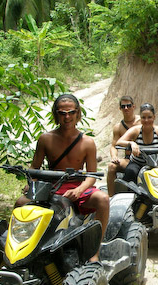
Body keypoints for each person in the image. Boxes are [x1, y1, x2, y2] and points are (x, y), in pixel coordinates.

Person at [15, 94, 109, 262]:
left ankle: (94, 251)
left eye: (71, 112)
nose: (67, 117)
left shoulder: (87, 142)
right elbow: (34, 169)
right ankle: (20, 249)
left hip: (78, 188)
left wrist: (79, 189)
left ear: (78, 114)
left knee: (103, 199)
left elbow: (91, 175)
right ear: (56, 114)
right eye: (62, 113)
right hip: (52, 188)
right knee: (20, 203)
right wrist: (31, 184)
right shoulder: (45, 139)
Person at [107, 96, 158, 196]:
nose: (126, 108)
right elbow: (115, 144)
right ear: (120, 108)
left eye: (128, 106)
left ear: (133, 107)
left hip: (153, 159)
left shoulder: (143, 120)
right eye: (123, 106)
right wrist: (114, 156)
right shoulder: (119, 127)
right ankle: (112, 197)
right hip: (132, 158)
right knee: (114, 167)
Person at [116, 103, 158, 184]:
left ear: (154, 117)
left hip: (155, 164)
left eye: (149, 117)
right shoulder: (135, 130)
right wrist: (131, 143)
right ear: (140, 118)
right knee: (131, 172)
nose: (146, 120)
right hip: (137, 163)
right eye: (143, 117)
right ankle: (128, 195)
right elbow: (119, 142)